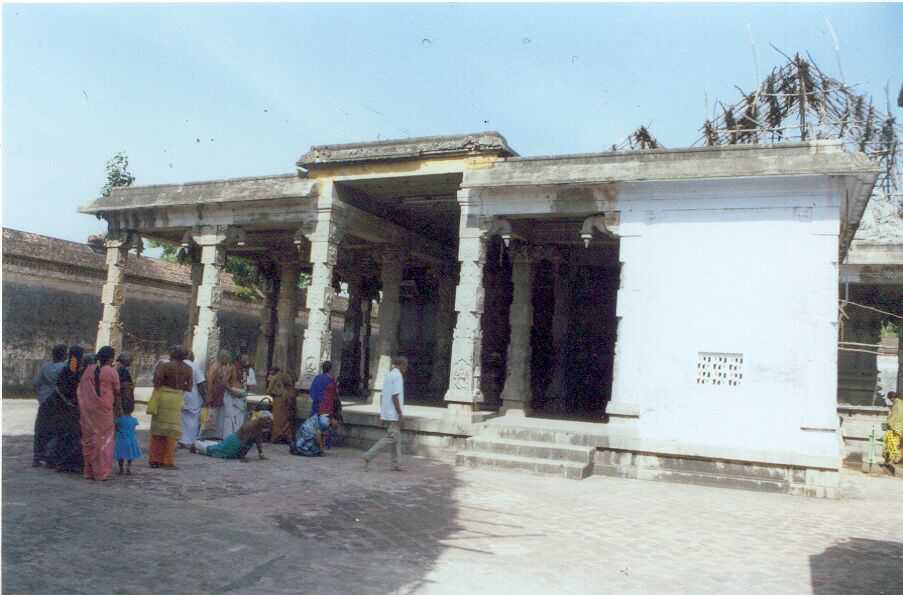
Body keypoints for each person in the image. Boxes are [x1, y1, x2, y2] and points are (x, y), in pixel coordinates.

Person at [78, 345, 120, 481]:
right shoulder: (111, 371)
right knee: (104, 440)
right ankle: (101, 472)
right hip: (105, 409)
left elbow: (81, 389)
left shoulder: (89, 370)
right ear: (111, 358)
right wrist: (118, 410)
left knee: (89, 439)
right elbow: (117, 391)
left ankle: (88, 471)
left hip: (88, 410)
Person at [147, 346, 192, 469]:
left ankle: (155, 460)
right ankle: (168, 461)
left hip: (163, 398)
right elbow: (189, 388)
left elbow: (157, 382)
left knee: (158, 430)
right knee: (172, 431)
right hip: (177, 400)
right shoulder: (188, 369)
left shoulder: (165, 366)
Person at [362, 355, 407, 471]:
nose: (406, 369)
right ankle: (368, 456)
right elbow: (395, 396)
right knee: (391, 438)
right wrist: (400, 414)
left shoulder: (388, 375)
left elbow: (382, 396)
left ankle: (396, 464)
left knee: (396, 439)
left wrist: (382, 414)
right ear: (401, 365)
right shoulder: (397, 376)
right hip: (393, 414)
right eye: (405, 366)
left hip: (388, 412)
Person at [50, 346, 86, 473]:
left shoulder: (68, 370)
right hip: (71, 407)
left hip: (66, 407)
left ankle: (63, 462)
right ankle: (70, 463)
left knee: (66, 436)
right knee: (72, 436)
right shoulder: (73, 370)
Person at [32, 344, 68, 467]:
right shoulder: (65, 367)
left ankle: (37, 456)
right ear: (64, 355)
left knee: (41, 429)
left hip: (44, 400)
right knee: (56, 429)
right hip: (59, 401)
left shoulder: (45, 367)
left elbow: (36, 383)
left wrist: (40, 396)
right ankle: (50, 457)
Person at [193, 412, 272, 461]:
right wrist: (241, 457)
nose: (269, 424)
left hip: (236, 443)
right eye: (267, 422)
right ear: (261, 420)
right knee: (214, 451)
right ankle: (196, 445)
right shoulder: (250, 426)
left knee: (217, 448)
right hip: (234, 443)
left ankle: (201, 444)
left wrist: (261, 454)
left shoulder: (259, 426)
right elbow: (244, 443)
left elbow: (258, 440)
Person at [179, 351, 207, 449]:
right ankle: (189, 442)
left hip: (180, 396)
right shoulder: (194, 366)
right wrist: (205, 398)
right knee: (193, 420)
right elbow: (201, 384)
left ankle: (181, 440)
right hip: (192, 397)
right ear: (192, 358)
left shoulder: (178, 365)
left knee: (182, 419)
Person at [266, 367, 296, 444]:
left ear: (273, 372)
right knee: (286, 419)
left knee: (277, 420)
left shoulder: (275, 378)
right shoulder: (285, 376)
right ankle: (287, 438)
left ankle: (276, 438)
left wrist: (272, 393)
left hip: (278, 400)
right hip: (287, 399)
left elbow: (268, 390)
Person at [114, 394, 142, 475]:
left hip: (121, 440)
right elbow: (134, 429)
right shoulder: (134, 420)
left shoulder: (119, 419)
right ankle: (128, 468)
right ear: (132, 410)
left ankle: (121, 469)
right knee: (130, 455)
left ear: (122, 408)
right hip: (131, 440)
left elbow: (115, 427)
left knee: (120, 456)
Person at [883, 391, 903, 475]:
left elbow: (894, 416)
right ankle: (894, 459)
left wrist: (887, 423)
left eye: (890, 399)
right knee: (897, 444)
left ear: (892, 398)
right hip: (899, 427)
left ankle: (894, 459)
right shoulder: (900, 403)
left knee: (892, 443)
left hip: (896, 427)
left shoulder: (897, 405)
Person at [116, 353, 135, 418]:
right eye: (130, 360)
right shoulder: (123, 370)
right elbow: (125, 388)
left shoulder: (119, 369)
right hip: (124, 400)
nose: (131, 362)